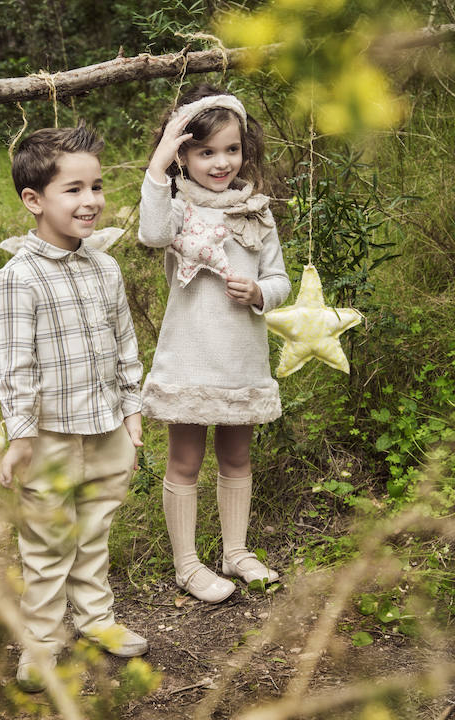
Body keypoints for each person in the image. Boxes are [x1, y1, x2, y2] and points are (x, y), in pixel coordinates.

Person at [0, 124, 148, 692]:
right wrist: (21, 435)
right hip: (51, 436)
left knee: (95, 529)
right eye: (74, 190)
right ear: (34, 200)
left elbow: (124, 343)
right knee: (48, 541)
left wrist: (132, 412)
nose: (91, 202)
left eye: (97, 187)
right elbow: (14, 367)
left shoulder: (104, 267)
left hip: (106, 425)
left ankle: (97, 620)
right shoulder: (18, 278)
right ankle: (40, 642)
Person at [138, 85, 292, 603]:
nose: (221, 162)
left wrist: (260, 293)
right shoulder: (177, 208)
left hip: (241, 357)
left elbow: (280, 278)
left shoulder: (256, 211)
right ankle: (186, 563)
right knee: (185, 458)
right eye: (205, 152)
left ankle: (236, 551)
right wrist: (159, 166)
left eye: (231, 149)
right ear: (182, 155)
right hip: (191, 355)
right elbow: (152, 233)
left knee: (237, 456)